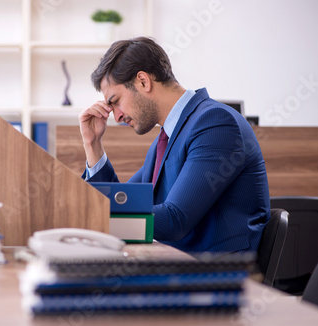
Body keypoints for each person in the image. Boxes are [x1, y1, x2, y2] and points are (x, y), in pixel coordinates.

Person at [79, 36, 270, 253]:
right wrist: (92, 143)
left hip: (217, 276)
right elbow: (123, 202)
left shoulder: (216, 124)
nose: (117, 116)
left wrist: (91, 220)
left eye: (115, 101)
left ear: (143, 81)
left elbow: (175, 220)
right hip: (179, 268)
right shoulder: (165, 141)